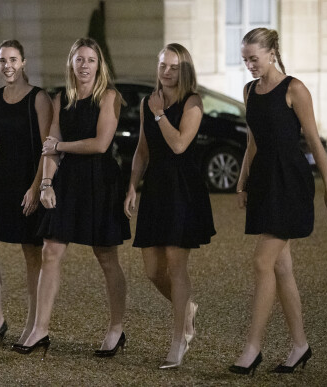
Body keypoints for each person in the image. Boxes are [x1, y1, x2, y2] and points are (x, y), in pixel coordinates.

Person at [229, 28, 327, 375]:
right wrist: (242, 182)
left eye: (254, 58)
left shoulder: (295, 89)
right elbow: (252, 142)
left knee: (263, 262)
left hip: (290, 182)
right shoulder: (249, 91)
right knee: (281, 267)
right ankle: (300, 346)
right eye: (245, 59)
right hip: (263, 180)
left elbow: (314, 142)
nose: (248, 65)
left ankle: (253, 348)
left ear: (272, 53)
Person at [14, 38, 130, 359]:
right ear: (71, 63)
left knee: (106, 257)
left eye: (90, 60)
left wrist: (60, 149)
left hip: (100, 181)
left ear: (99, 64)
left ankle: (116, 328)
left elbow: (100, 144)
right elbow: (51, 142)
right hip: (67, 181)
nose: (84, 66)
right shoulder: (60, 99)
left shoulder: (109, 97)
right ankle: (40, 329)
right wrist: (46, 183)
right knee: (51, 251)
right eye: (79, 60)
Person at [124, 43, 216, 369]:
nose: (166, 71)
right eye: (163, 64)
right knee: (152, 270)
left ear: (184, 70)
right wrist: (132, 187)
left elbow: (178, 144)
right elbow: (142, 151)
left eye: (174, 66)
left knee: (177, 266)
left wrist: (160, 113)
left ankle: (178, 341)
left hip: (182, 189)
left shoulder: (193, 102)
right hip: (155, 191)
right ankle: (187, 309)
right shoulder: (147, 102)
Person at [0, 40, 53, 348]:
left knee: (32, 254)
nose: (7, 65)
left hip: (27, 180)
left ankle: (35, 325)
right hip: (0, 181)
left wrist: (36, 188)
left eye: (12, 59)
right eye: (2, 60)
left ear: (23, 62)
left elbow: (48, 147)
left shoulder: (39, 98)